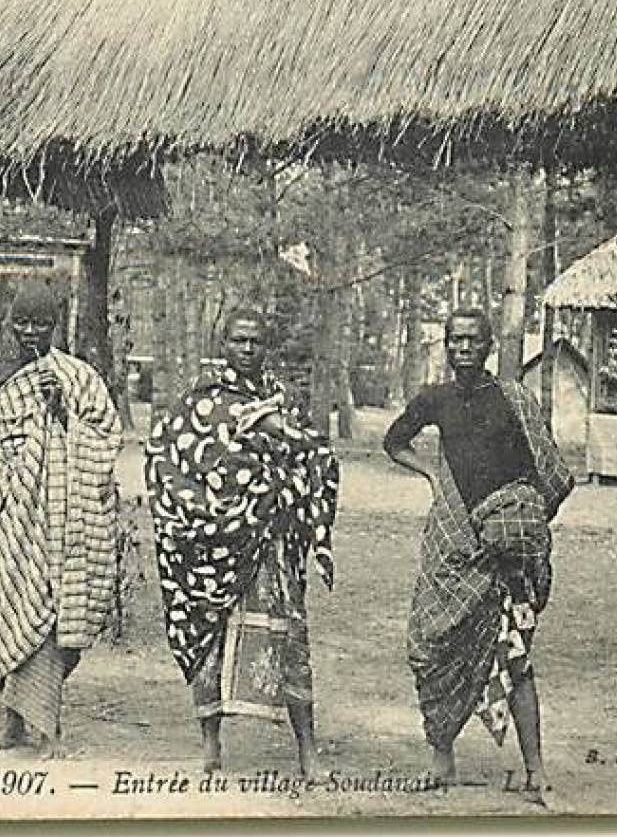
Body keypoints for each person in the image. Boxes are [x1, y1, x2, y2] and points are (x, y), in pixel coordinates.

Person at [383, 309, 574, 805]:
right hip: (454, 549)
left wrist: (522, 523)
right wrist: (431, 476)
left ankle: (535, 771)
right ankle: (441, 758)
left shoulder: (513, 399)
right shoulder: (436, 399)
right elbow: (394, 440)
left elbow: (552, 473)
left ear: (489, 345)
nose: (462, 348)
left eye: (472, 340)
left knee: (516, 658)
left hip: (506, 559)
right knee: (433, 646)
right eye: (454, 340)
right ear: (445, 347)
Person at [145, 308, 339, 776]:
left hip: (272, 542)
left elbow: (314, 457)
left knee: (291, 638)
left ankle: (307, 753)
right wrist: (231, 481)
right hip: (216, 547)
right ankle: (210, 746)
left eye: (255, 342)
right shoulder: (201, 402)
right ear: (224, 344)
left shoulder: (283, 401)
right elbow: (169, 460)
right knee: (210, 635)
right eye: (238, 341)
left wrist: (317, 535)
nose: (247, 350)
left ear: (265, 346)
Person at [0, 278, 122, 757]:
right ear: (10, 325)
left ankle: (48, 729)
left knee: (51, 616)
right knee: (9, 611)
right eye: (23, 323)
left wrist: (62, 407)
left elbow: (104, 433)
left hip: (63, 514)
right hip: (11, 512)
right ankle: (13, 725)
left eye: (42, 324)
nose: (31, 332)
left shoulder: (76, 377)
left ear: (56, 327)